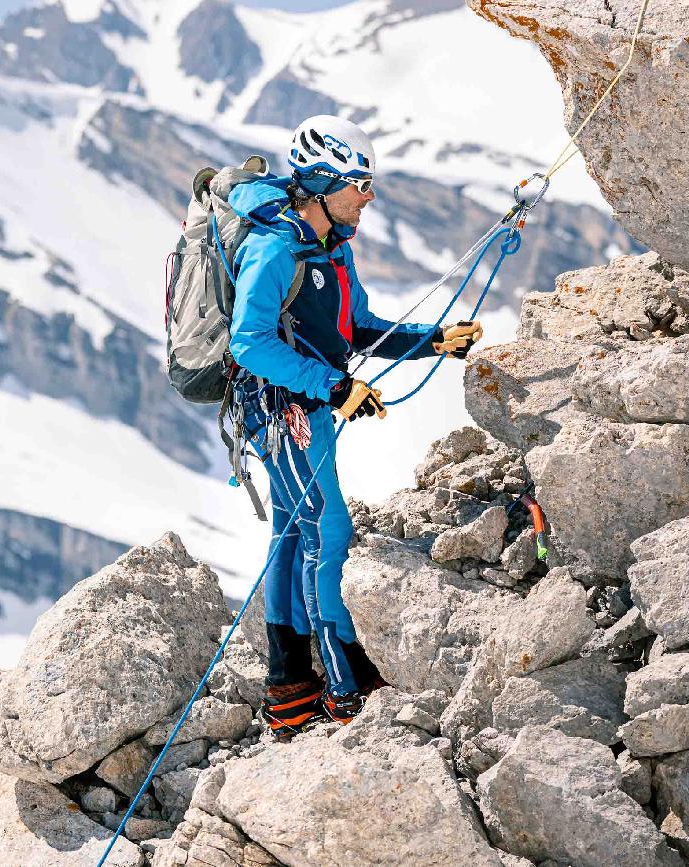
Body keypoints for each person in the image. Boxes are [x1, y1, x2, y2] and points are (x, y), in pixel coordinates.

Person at [226, 115, 482, 737]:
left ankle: (290, 690)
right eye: (359, 184)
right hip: (278, 408)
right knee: (326, 529)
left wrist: (431, 342)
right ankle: (346, 688)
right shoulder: (275, 248)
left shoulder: (332, 247)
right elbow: (248, 341)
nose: (369, 197)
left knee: (294, 533)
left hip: (303, 404)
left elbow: (355, 328)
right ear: (320, 183)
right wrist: (334, 385)